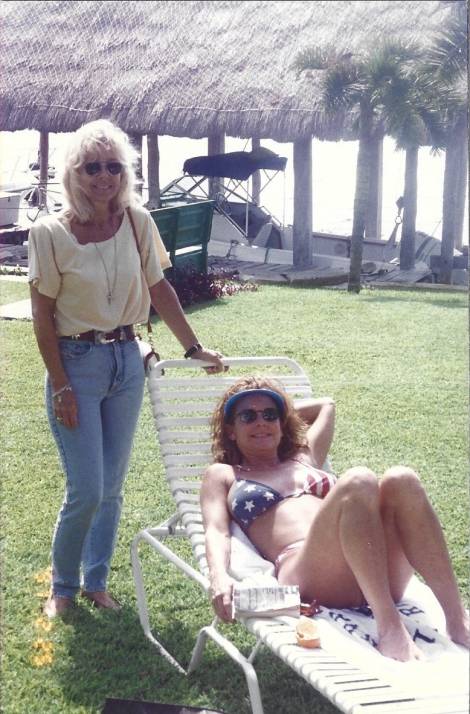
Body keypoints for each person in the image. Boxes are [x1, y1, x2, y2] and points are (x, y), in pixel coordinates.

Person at [29, 119, 225, 618]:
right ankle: (62, 588)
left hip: (127, 361)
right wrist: (60, 385)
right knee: (87, 489)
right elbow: (42, 317)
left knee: (112, 489)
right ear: (74, 173)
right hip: (76, 364)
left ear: (125, 172)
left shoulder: (137, 221)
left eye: (113, 167)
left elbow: (159, 288)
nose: (104, 176)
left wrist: (193, 348)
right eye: (92, 167)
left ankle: (95, 581)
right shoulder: (49, 232)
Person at [200, 376, 469, 662]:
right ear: (231, 430)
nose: (261, 423)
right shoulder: (223, 474)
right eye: (248, 417)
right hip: (308, 573)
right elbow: (216, 531)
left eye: (269, 415)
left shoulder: (304, 457)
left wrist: (283, 416)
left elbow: (326, 406)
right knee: (359, 480)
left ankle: (457, 619)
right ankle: (389, 626)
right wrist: (219, 577)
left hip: (372, 564)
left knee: (403, 479)